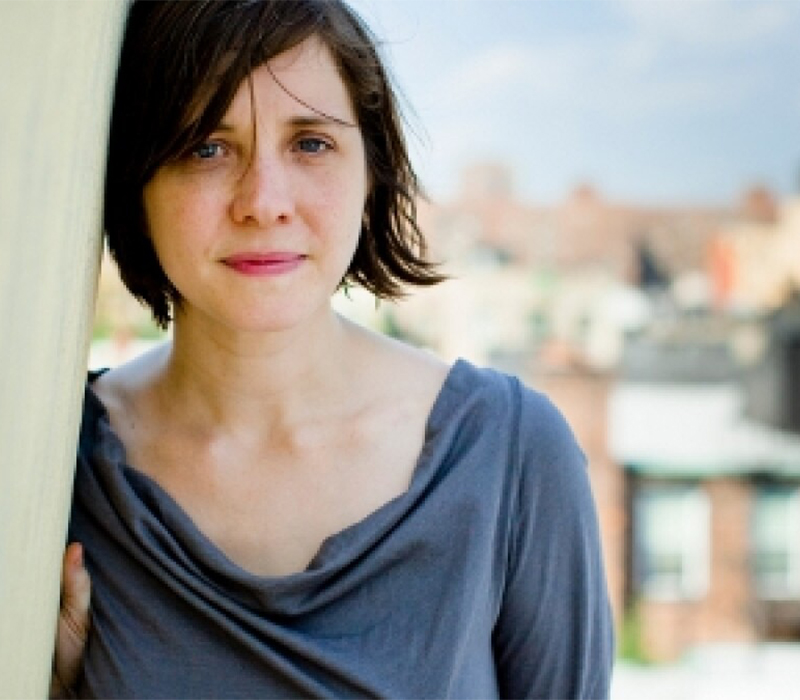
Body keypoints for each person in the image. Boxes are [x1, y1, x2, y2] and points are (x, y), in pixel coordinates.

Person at [52, 1, 614, 697]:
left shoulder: (511, 453)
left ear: (373, 170)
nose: (264, 201)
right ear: (135, 182)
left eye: (310, 143)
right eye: (206, 146)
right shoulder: (54, 464)